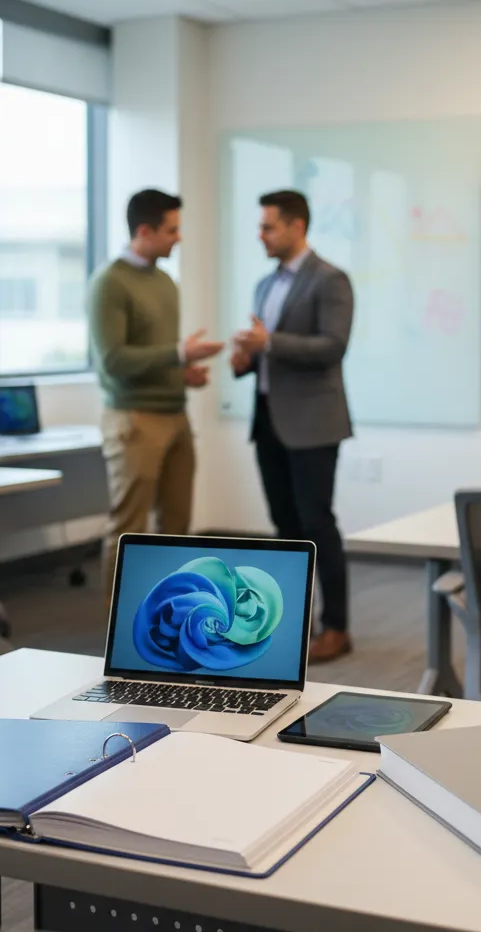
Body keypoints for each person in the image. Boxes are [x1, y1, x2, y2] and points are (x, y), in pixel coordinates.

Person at [231, 190, 355, 663]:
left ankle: (337, 627)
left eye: (268, 226)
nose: (260, 234)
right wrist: (244, 358)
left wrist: (269, 342)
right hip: (268, 419)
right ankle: (291, 622)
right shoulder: (264, 284)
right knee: (284, 526)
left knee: (317, 523)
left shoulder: (330, 280)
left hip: (313, 422)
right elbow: (267, 351)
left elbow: (332, 347)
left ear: (297, 226)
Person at [88, 189, 223, 597]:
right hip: (134, 419)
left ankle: (167, 624)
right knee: (129, 529)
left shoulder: (166, 282)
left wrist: (183, 374)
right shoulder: (109, 283)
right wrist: (179, 353)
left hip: (175, 415)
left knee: (177, 527)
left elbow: (152, 357)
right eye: (172, 230)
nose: (178, 238)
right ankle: (119, 637)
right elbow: (113, 361)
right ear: (144, 231)